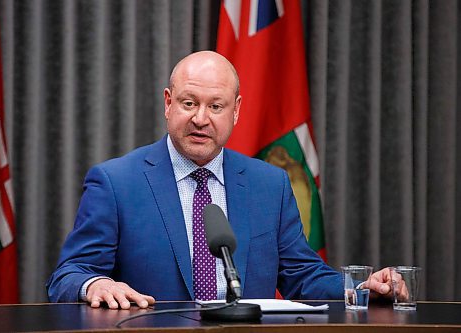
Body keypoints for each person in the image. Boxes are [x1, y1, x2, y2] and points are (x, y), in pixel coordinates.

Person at [46, 51, 395, 310]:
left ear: (236, 111)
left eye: (216, 106)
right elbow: (69, 274)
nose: (201, 118)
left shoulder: (269, 185)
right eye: (188, 103)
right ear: (168, 104)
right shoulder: (116, 182)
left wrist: (361, 287)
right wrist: (96, 283)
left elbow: (302, 277)